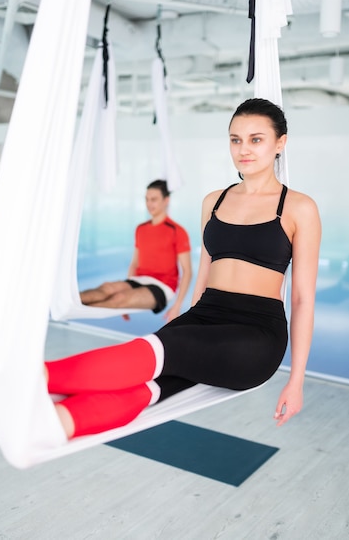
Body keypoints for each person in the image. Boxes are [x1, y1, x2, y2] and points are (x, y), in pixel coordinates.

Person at [46, 98, 321, 439]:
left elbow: (302, 299)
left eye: (256, 139)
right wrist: (187, 322)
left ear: (280, 143)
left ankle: (36, 379)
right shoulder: (214, 201)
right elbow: (203, 272)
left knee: (154, 351)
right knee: (152, 386)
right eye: (235, 139)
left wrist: (296, 382)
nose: (243, 149)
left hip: (256, 334)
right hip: (205, 317)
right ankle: (56, 423)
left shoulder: (299, 208)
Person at [79, 180, 192, 323]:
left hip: (163, 286)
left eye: (154, 199)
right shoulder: (141, 229)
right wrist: (128, 285)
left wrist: (177, 306)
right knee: (106, 288)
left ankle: (78, 311)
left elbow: (187, 271)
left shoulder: (177, 231)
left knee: (119, 299)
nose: (149, 204)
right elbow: (134, 264)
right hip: (138, 279)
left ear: (166, 200)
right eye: (146, 199)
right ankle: (67, 303)